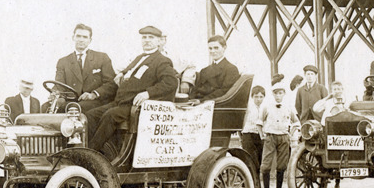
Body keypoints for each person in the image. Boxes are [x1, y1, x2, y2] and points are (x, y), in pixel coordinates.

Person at [87, 25, 178, 156]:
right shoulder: (139, 58)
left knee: (110, 115)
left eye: (151, 37)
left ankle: (91, 153)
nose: (147, 40)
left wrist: (148, 93)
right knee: (90, 115)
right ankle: (99, 151)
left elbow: (170, 82)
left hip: (134, 105)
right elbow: (130, 70)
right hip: (120, 102)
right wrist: (122, 73)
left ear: (159, 41)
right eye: (144, 37)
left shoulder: (162, 61)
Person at [54, 23, 116, 112]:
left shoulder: (102, 58)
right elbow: (59, 85)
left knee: (75, 108)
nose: (81, 40)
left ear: (90, 40)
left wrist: (94, 94)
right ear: (73, 38)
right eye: (78, 36)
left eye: (85, 37)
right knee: (46, 107)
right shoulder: (63, 61)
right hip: (71, 101)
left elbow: (111, 83)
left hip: (95, 101)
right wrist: (55, 94)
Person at [258, 84, 298, 188]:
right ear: (273, 94)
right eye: (276, 93)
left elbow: (296, 122)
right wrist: (262, 135)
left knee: (281, 166)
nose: (278, 96)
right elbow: (259, 122)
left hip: (283, 137)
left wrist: (290, 134)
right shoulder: (266, 106)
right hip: (270, 137)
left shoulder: (289, 106)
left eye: (280, 93)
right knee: (266, 166)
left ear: (284, 94)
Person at [188, 35, 241, 102]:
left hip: (214, 103)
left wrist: (201, 101)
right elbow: (196, 89)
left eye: (216, 48)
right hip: (197, 102)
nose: (212, 51)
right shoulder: (204, 70)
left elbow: (224, 91)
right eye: (210, 48)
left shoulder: (231, 69)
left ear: (224, 48)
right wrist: (190, 99)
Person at [240, 85, 266, 168]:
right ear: (252, 97)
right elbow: (242, 122)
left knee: (260, 158)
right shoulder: (248, 108)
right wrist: (241, 134)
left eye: (261, 97)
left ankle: (258, 176)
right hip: (248, 135)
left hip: (259, 136)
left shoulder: (264, 108)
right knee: (251, 159)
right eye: (256, 97)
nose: (258, 99)